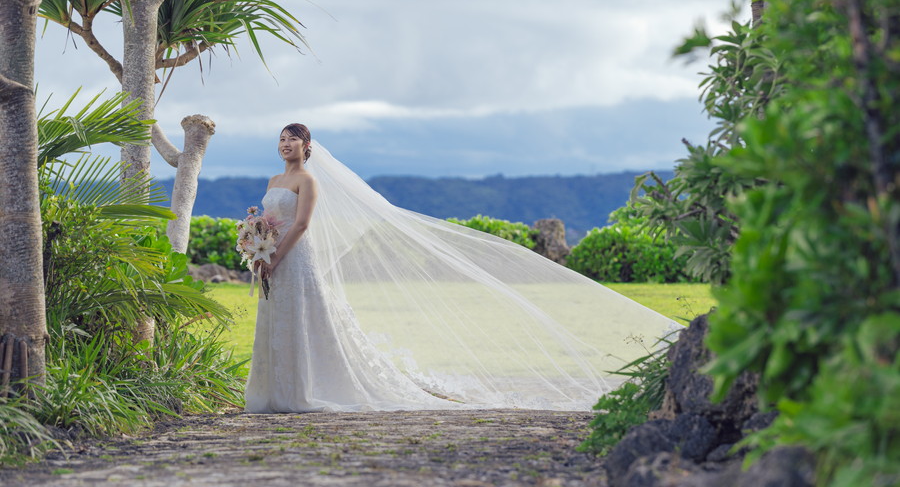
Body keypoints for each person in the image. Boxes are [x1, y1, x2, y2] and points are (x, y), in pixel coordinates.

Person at [244, 123, 679, 413]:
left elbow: (301, 225)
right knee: (277, 319)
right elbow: (271, 220)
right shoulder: (272, 182)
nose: (285, 145)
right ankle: (273, 392)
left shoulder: (308, 180)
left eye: (292, 139)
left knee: (302, 320)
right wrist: (258, 245)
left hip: (295, 259)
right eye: (281, 139)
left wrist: (277, 256)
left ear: (307, 147)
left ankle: (302, 391)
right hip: (270, 259)